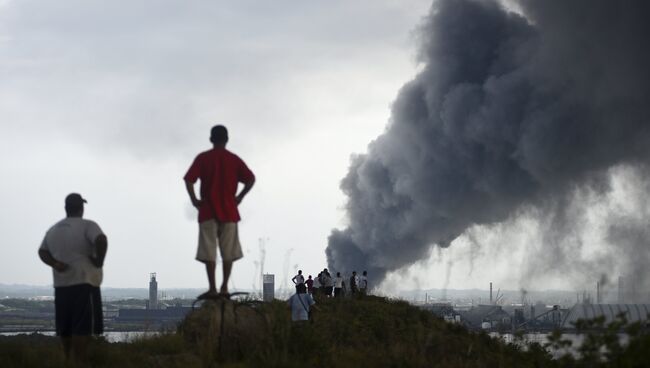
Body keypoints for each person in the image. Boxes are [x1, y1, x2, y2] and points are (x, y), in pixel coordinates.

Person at [184, 125, 255, 299]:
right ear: (227, 139)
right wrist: (239, 197)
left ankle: (213, 288)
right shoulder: (233, 159)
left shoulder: (204, 158)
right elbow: (250, 179)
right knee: (228, 251)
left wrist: (194, 200)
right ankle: (224, 288)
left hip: (207, 211)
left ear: (211, 139)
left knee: (209, 251)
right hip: (229, 211)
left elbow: (189, 180)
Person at [38, 193, 108, 365]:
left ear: (66, 208)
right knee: (82, 328)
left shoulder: (53, 229)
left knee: (65, 328)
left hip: (61, 285)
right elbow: (101, 239)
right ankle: (80, 362)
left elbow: (42, 251)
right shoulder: (88, 226)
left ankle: (68, 359)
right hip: (84, 282)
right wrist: (99, 261)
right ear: (81, 208)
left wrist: (55, 263)